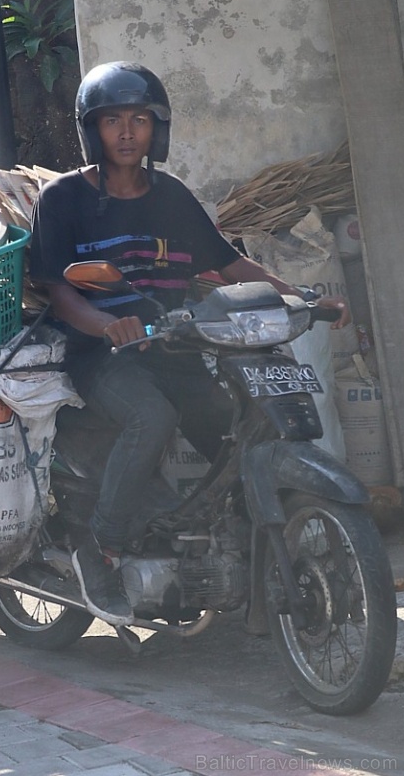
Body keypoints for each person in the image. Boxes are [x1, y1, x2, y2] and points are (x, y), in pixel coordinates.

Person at [29, 61, 349, 627]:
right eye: (112, 121)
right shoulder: (64, 199)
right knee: (151, 417)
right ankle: (99, 548)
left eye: (139, 119)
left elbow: (228, 264)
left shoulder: (172, 196)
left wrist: (296, 296)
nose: (127, 133)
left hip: (178, 347)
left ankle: (239, 543)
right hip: (104, 357)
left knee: (236, 422)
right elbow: (60, 293)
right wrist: (107, 326)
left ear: (158, 128)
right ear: (92, 130)